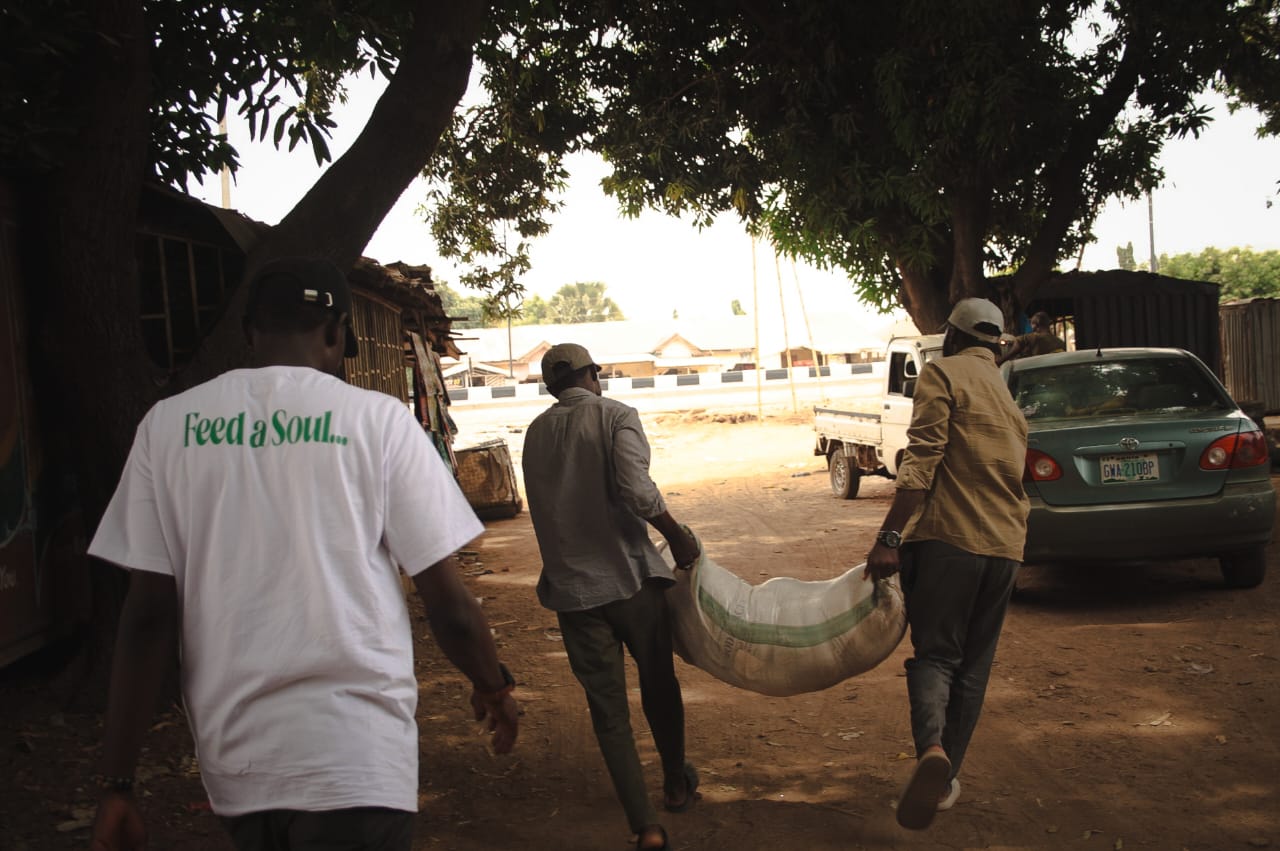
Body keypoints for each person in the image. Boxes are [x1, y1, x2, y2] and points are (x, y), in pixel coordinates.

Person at [87, 256, 519, 851]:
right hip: (358, 756)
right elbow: (446, 602)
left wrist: (117, 784)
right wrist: (492, 685)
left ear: (248, 333)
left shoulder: (169, 427)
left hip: (238, 766)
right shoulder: (380, 422)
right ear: (341, 334)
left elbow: (148, 615)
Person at [521, 343, 701, 851]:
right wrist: (677, 534)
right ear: (593, 375)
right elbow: (637, 491)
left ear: (552, 386)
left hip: (574, 593)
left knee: (608, 711)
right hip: (630, 582)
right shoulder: (616, 415)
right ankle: (673, 782)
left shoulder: (535, 433)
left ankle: (645, 825)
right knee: (658, 681)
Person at [865, 297, 1029, 831]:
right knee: (974, 668)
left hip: (949, 542)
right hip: (1005, 549)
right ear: (996, 345)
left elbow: (922, 460)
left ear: (953, 338)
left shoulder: (941, 374)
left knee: (936, 656)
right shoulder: (1008, 398)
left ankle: (931, 750)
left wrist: (889, 536)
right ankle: (946, 778)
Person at [996, 310, 1066, 364]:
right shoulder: (1060, 342)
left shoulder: (1032, 337)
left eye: (1031, 323)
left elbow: (1017, 344)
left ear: (1036, 324)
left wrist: (1000, 361)